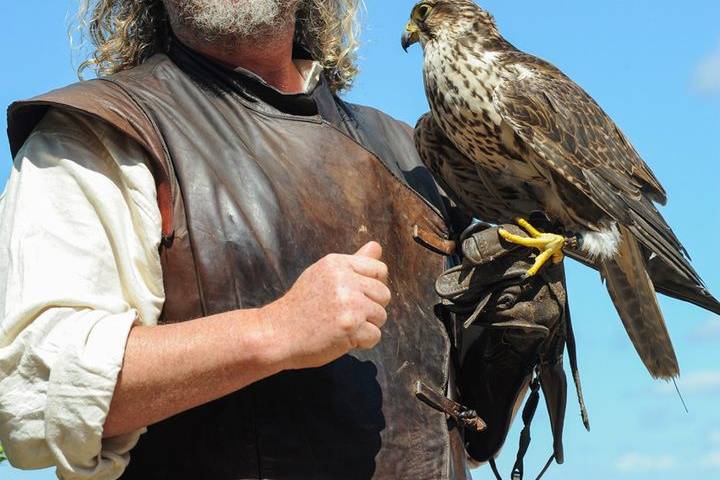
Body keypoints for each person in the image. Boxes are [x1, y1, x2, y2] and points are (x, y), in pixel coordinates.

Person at [0, 1, 558, 479]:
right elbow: (28, 388)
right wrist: (271, 332)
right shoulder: (102, 132)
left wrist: (505, 338)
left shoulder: (411, 151)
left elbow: (458, 432)